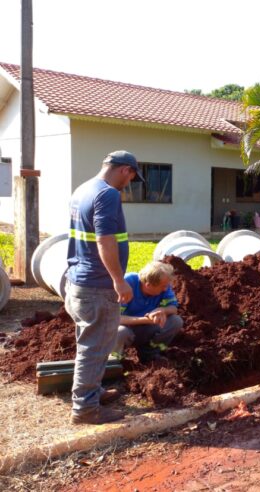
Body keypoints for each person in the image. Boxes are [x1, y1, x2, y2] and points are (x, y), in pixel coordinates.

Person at [65, 150, 144, 425]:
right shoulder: (108, 194)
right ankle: (86, 408)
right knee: (94, 346)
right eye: (132, 177)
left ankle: (92, 392)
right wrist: (119, 280)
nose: (130, 183)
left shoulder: (83, 189)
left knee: (88, 342)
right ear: (126, 170)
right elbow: (105, 240)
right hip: (97, 286)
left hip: (78, 281)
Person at [113, 261, 183, 364]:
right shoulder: (127, 284)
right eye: (163, 286)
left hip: (146, 328)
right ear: (148, 285)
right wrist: (147, 320)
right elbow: (115, 319)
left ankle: (149, 355)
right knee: (120, 332)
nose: (165, 289)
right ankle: (115, 360)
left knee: (176, 321)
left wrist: (162, 310)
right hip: (126, 328)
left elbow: (173, 308)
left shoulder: (164, 287)